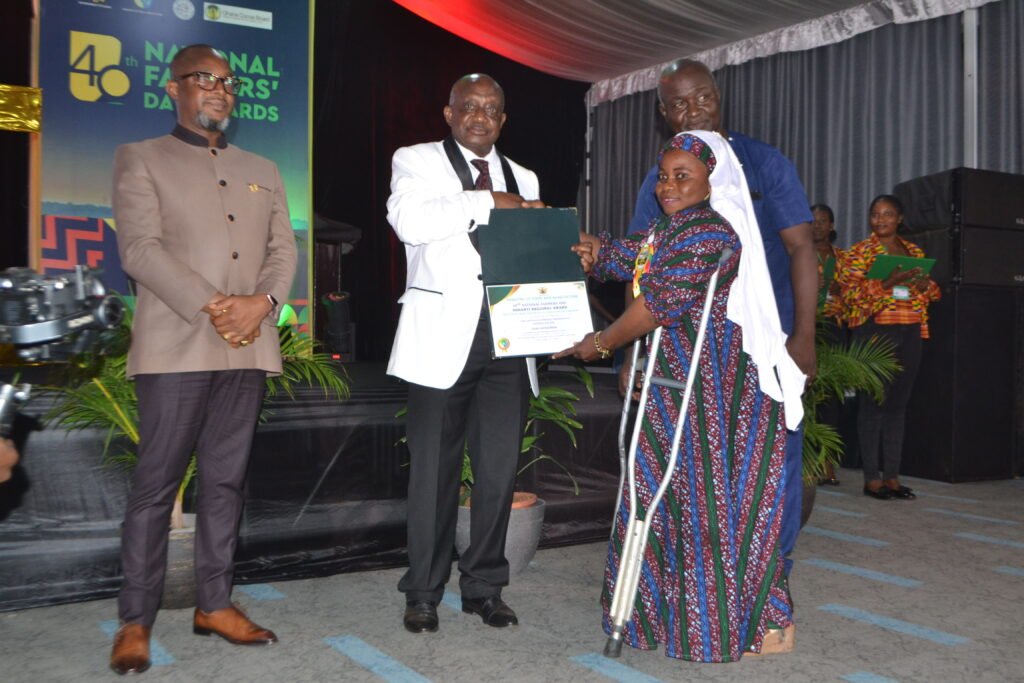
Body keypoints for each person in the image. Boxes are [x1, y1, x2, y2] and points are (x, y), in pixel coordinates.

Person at [559, 131, 802, 661]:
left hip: (715, 386)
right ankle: (652, 618)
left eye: (682, 176)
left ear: (711, 181)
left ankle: (713, 625)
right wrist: (586, 248)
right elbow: (625, 256)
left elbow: (654, 307)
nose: (668, 185)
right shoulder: (668, 230)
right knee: (655, 494)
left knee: (702, 500)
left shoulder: (711, 234)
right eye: (665, 175)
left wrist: (600, 344)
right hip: (673, 380)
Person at [109, 45, 297, 675]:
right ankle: (135, 618)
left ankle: (214, 604)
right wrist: (218, 303)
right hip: (174, 345)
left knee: (225, 483)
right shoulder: (140, 157)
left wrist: (262, 302)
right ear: (173, 88)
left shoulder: (263, 167)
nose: (218, 90)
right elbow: (139, 249)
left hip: (249, 347)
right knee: (156, 487)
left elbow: (282, 251)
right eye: (203, 80)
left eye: (227, 82)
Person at [627, 60, 815, 598]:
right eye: (680, 104)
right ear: (665, 115)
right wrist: (635, 355)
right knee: (697, 469)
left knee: (774, 464)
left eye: (702, 97)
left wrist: (802, 336)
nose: (695, 110)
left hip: (765, 345)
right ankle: (701, 589)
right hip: (688, 352)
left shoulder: (764, 162)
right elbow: (644, 264)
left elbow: (802, 247)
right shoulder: (662, 176)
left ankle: (768, 590)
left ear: (718, 96)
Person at [386, 73, 545, 634]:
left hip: (509, 340)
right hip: (440, 340)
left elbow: (531, 258)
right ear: (449, 114)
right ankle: (423, 593)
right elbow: (410, 221)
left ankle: (483, 588)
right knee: (433, 473)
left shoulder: (523, 175)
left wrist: (559, 255)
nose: (481, 116)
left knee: (499, 473)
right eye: (469, 106)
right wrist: (488, 202)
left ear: (502, 121)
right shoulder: (417, 160)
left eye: (492, 109)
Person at [836, 194, 939, 501]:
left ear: (900, 218)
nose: (881, 220)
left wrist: (924, 286)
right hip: (875, 330)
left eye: (888, 214)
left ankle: (892, 477)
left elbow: (932, 290)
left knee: (898, 405)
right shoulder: (860, 252)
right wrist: (883, 283)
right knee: (873, 404)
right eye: (875, 215)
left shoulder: (914, 251)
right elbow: (847, 293)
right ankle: (871, 479)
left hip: (910, 330)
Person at [811, 203, 844, 486]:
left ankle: (828, 462)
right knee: (806, 394)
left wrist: (841, 289)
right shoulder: (796, 254)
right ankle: (808, 461)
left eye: (823, 221)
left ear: (832, 226)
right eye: (813, 220)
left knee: (831, 397)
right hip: (806, 327)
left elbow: (858, 293)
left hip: (834, 328)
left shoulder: (843, 257)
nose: (818, 225)